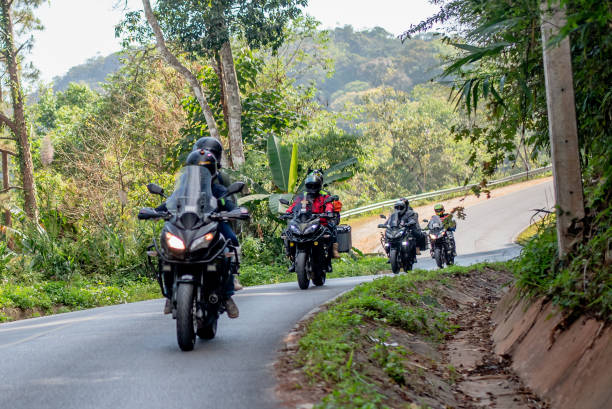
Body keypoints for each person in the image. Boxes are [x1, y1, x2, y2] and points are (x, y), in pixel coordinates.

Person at [158, 142, 240, 318]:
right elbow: (169, 202)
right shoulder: (182, 189)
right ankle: (169, 293)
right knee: (164, 254)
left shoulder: (218, 188)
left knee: (228, 245)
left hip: (212, 224)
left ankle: (227, 296)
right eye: (196, 169)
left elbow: (229, 202)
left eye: (206, 169)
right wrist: (153, 211)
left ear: (213, 171)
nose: (202, 174)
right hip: (186, 226)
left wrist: (233, 211)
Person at [192, 137, 243, 291]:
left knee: (231, 239)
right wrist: (157, 211)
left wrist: (233, 212)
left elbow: (229, 198)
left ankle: (232, 276)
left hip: (215, 220)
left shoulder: (220, 179)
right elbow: (175, 198)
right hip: (190, 221)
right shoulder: (188, 179)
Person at [285, 170, 340, 271]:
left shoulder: (324, 195)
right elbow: (294, 205)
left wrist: (328, 212)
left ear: (319, 184)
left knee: (331, 232)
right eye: (310, 185)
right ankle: (292, 259)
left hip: (320, 222)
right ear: (307, 185)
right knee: (287, 233)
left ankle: (329, 258)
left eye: (315, 185)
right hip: (303, 221)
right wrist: (288, 212)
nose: (312, 188)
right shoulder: (302, 196)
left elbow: (328, 205)